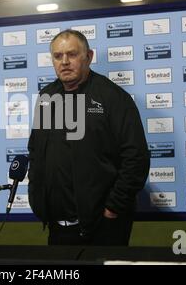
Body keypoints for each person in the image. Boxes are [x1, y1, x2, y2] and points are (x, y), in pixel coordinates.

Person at [28, 30, 150, 246]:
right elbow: (37, 152)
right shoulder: (46, 97)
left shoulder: (113, 97)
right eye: (57, 56)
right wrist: (37, 199)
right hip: (57, 227)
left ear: (89, 56)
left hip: (103, 227)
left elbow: (136, 157)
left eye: (72, 54)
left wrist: (113, 209)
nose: (64, 62)